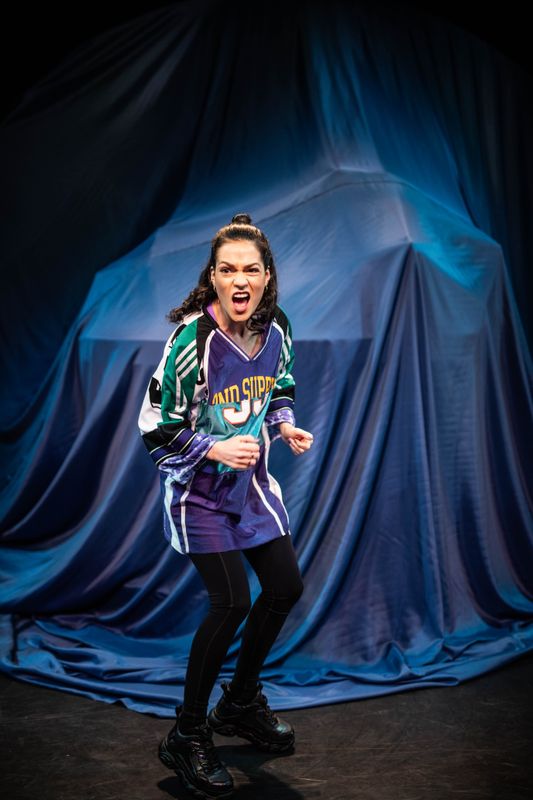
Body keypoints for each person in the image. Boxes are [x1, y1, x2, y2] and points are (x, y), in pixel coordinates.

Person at [138, 213, 313, 799]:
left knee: (284, 586)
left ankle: (238, 703)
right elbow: (155, 427)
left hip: (250, 486)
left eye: (251, 270)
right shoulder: (191, 342)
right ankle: (187, 734)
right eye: (228, 270)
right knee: (232, 601)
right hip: (199, 492)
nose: (241, 281)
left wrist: (283, 425)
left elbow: (279, 385)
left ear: (267, 277)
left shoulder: (278, 326)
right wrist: (213, 447)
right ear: (212, 277)